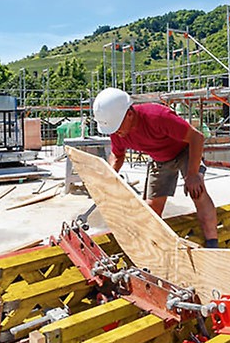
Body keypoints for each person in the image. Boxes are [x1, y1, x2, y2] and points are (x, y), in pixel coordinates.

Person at [92, 87, 219, 247]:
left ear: (129, 114)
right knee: (151, 208)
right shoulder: (117, 130)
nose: (116, 133)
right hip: (160, 159)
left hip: (184, 150)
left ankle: (213, 243)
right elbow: (117, 156)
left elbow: (197, 137)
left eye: (117, 128)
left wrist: (193, 174)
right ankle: (150, 246)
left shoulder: (157, 116)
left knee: (197, 192)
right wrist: (108, 180)